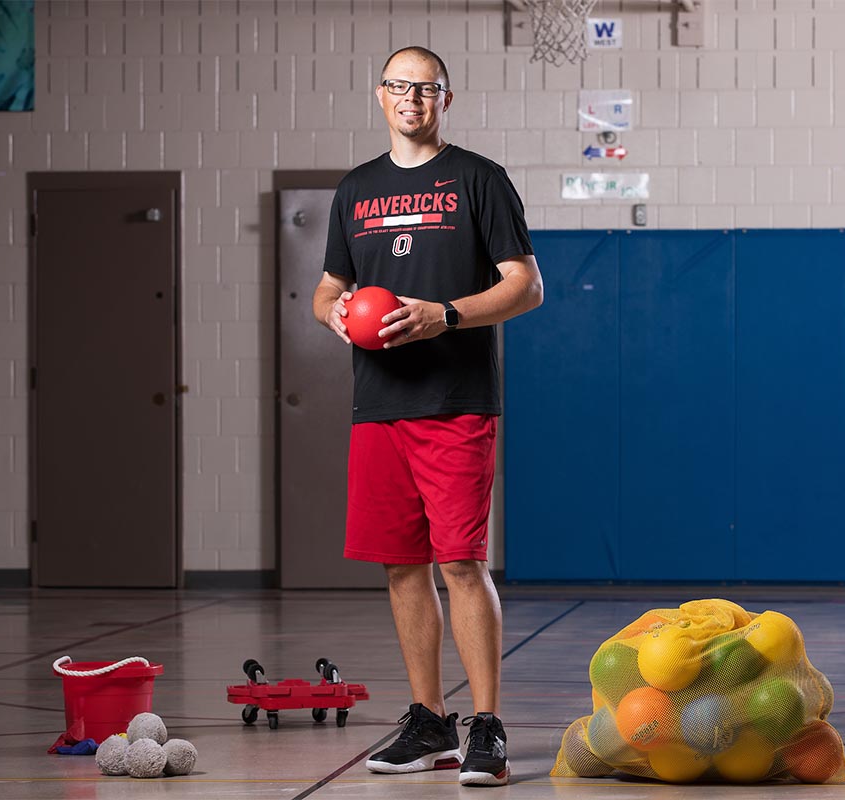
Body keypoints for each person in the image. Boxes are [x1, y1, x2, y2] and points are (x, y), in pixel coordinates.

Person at [312, 46, 543, 787]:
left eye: (427, 88)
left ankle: (487, 728)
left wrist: (446, 314)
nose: (412, 98)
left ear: (446, 98)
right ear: (379, 95)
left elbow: (527, 286)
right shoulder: (356, 189)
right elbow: (326, 289)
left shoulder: (478, 179)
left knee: (460, 564)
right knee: (402, 567)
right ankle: (429, 723)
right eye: (399, 86)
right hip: (378, 402)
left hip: (455, 403)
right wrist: (336, 313)